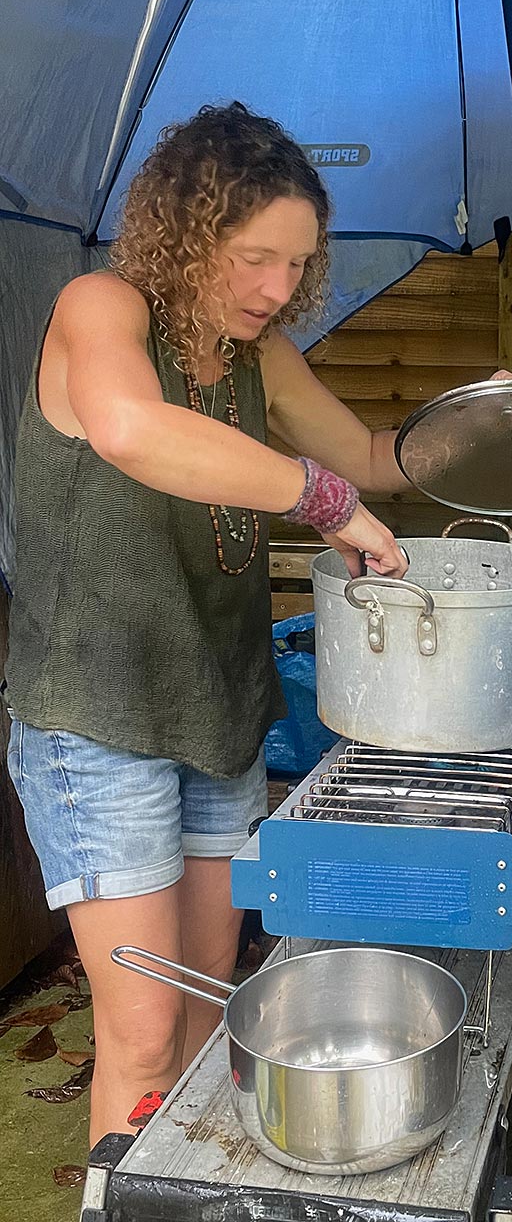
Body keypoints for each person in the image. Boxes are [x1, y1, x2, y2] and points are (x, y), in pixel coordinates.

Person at [2, 102, 425, 1147]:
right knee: (142, 1039)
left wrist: (486, 424)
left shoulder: (261, 358)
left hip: (219, 712)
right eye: (254, 258)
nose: (279, 289)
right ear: (186, 234)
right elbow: (133, 429)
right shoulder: (100, 308)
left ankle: (172, 1195)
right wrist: (319, 498)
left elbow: (373, 457)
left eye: (298, 263)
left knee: (202, 1019)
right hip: (98, 723)